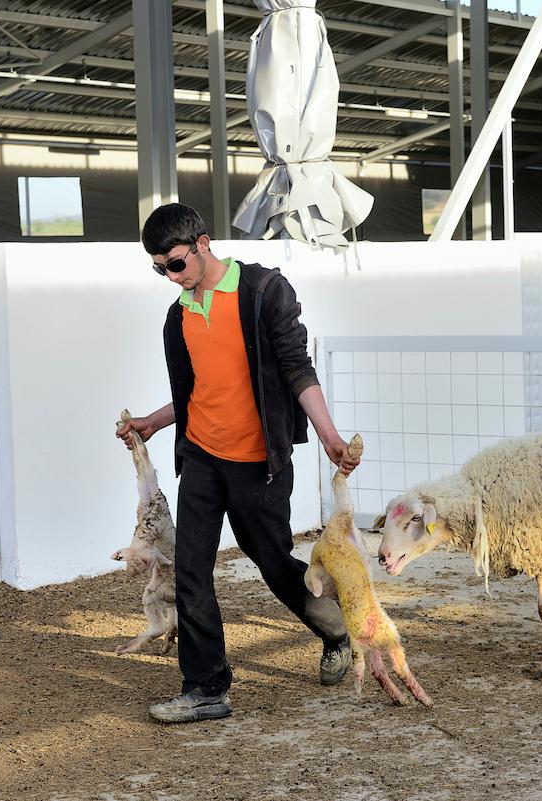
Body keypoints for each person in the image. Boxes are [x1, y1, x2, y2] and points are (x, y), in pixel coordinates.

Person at [116, 203, 360, 724]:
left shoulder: (264, 292)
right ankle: (206, 689)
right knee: (191, 569)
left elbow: (297, 368)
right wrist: (153, 423)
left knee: (272, 562)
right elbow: (195, 390)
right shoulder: (178, 315)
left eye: (175, 264)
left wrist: (329, 436)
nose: (169, 277)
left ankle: (336, 629)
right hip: (202, 457)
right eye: (159, 268)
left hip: (258, 463)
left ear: (203, 244)